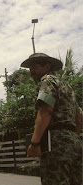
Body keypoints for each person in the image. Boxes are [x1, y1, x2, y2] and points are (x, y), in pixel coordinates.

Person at [21, 53, 82, 185]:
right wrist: (73, 139)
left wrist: (35, 143)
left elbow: (46, 111)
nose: (31, 71)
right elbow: (78, 117)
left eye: (35, 66)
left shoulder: (47, 81)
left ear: (47, 66)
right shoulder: (68, 88)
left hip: (55, 144)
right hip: (75, 144)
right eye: (30, 68)